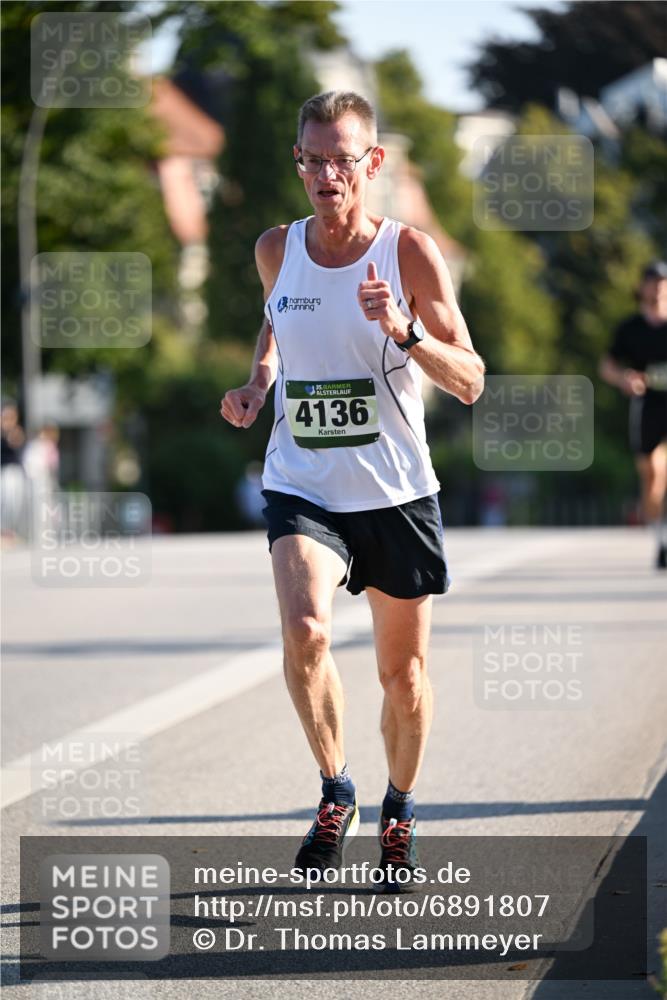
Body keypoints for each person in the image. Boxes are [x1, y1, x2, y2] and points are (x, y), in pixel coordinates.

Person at [220, 90, 484, 890]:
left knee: (402, 679)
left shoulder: (409, 253)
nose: (326, 174)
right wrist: (258, 382)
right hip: (303, 480)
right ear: (297, 161)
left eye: (342, 158)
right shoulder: (276, 247)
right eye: (312, 158)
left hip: (396, 490)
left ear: (373, 163)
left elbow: (469, 380)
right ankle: (337, 789)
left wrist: (404, 331)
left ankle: (399, 807)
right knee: (305, 629)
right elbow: (277, 321)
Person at [600, 261, 667, 569]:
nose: (658, 288)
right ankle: (660, 538)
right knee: (652, 474)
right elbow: (607, 366)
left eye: (663, 282)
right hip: (648, 407)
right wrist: (624, 379)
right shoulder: (630, 328)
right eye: (653, 281)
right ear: (641, 287)